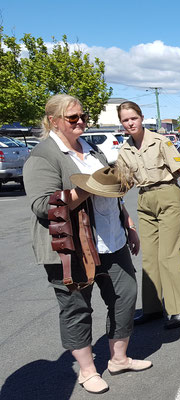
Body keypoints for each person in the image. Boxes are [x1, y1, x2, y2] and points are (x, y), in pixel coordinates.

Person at [23, 94, 152, 395]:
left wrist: (128, 224)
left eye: (83, 117)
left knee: (125, 295)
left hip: (112, 239)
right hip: (71, 247)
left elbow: (109, 188)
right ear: (54, 121)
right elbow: (43, 206)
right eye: (73, 118)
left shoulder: (89, 147)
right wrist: (82, 190)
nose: (81, 121)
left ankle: (119, 359)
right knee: (76, 307)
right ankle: (87, 370)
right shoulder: (43, 156)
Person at [115, 101, 180, 329]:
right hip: (145, 199)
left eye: (133, 118)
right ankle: (152, 308)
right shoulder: (125, 150)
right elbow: (123, 182)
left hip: (168, 195)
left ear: (141, 117)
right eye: (125, 120)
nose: (130, 123)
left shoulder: (160, 141)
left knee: (169, 255)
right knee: (150, 257)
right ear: (121, 123)